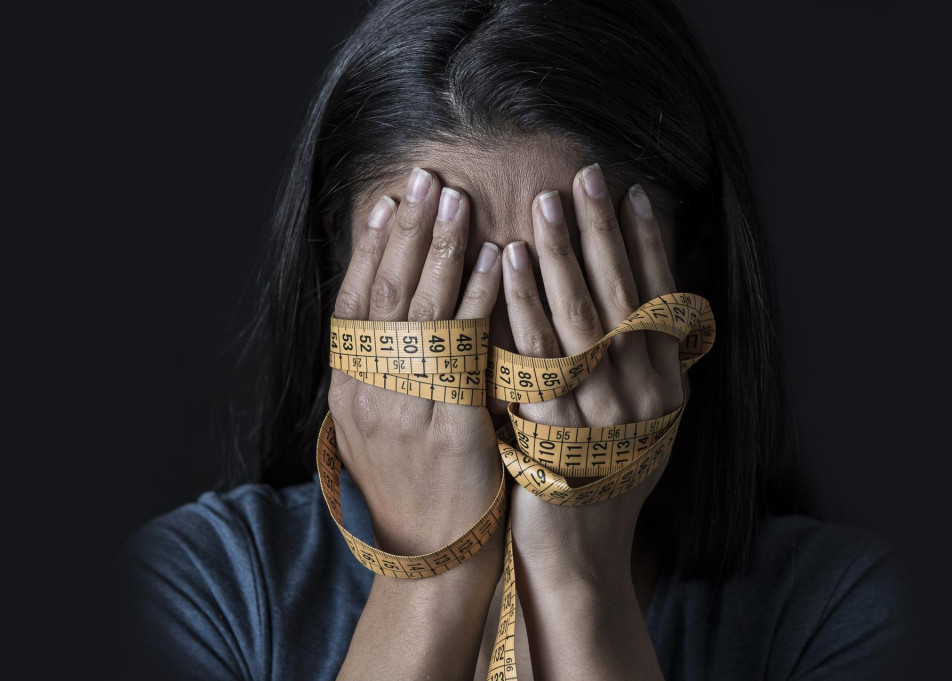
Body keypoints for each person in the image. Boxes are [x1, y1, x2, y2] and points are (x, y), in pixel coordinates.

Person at [109, 1, 911, 679]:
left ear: (685, 273)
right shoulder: (202, 590)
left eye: (564, 285)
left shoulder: (840, 614)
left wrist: (578, 581)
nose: (501, 356)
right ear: (343, 273)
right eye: (441, 283)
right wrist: (430, 573)